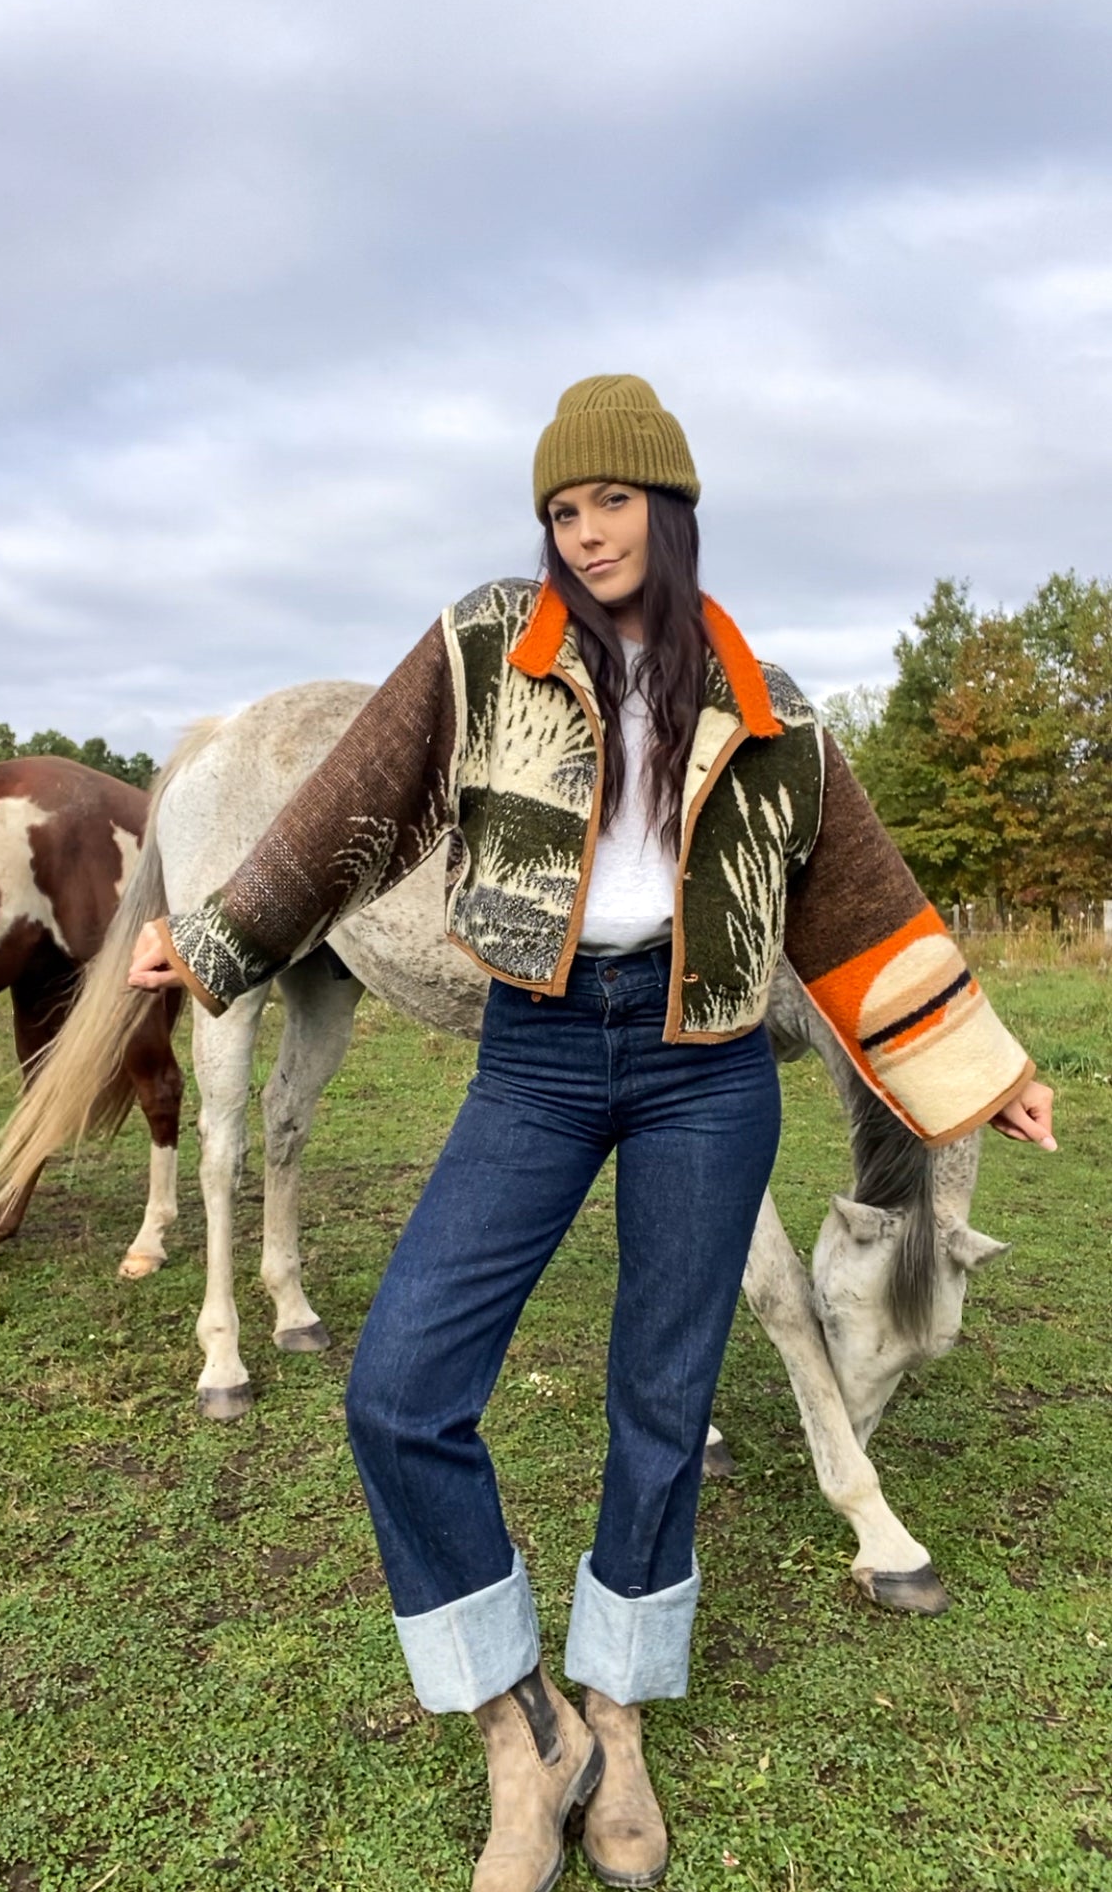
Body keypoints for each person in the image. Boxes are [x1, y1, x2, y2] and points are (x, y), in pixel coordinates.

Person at [128, 375, 1055, 1892]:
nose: (584, 531)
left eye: (609, 501)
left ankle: (614, 1712)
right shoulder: (492, 641)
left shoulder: (765, 700)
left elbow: (860, 901)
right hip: (541, 1053)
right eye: (561, 508)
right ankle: (520, 1725)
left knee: (659, 1398)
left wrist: (977, 1066)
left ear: (666, 507)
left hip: (705, 1067)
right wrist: (219, 938)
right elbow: (356, 806)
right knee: (400, 1384)